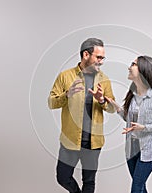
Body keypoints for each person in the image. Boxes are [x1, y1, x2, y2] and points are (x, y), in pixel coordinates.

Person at [48, 38, 116, 193]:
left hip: (93, 143)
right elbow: (51, 103)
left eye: (102, 58)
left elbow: (113, 109)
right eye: (98, 57)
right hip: (70, 141)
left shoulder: (104, 79)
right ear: (86, 54)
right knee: (63, 177)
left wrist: (102, 100)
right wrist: (67, 95)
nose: (101, 61)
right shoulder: (65, 77)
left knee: (89, 182)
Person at [106, 55, 152, 193]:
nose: (129, 67)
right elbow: (128, 118)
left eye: (133, 64)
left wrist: (144, 128)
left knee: (136, 188)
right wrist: (114, 104)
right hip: (132, 148)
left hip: (148, 150)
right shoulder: (133, 94)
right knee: (140, 187)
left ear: (143, 70)